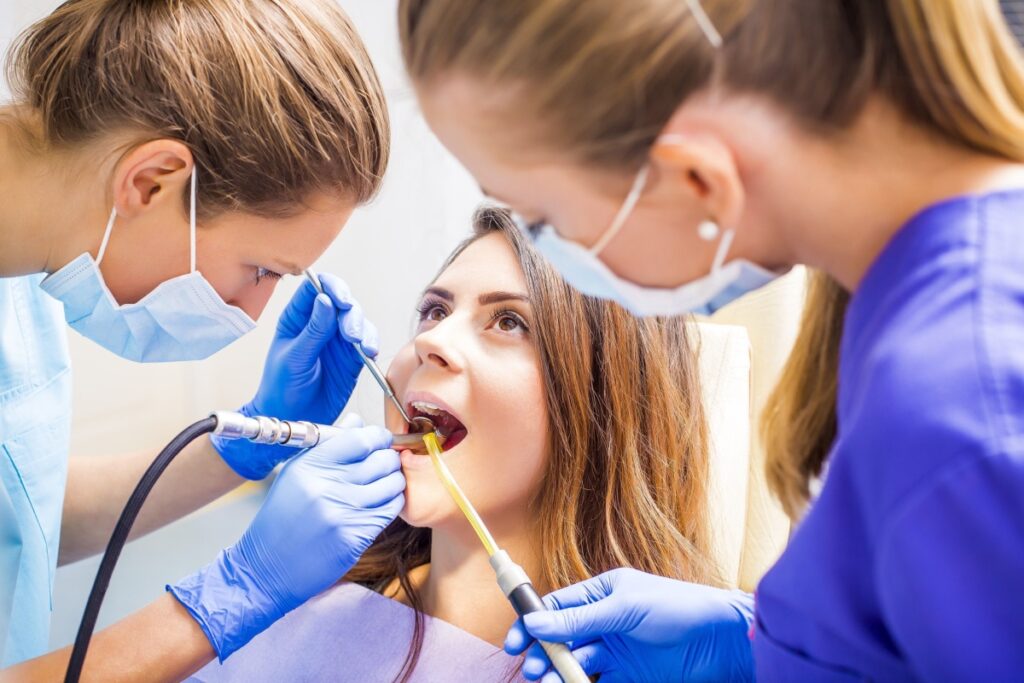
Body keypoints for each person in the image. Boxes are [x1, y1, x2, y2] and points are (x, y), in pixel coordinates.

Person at [396, 0, 1024, 680]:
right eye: (433, 309)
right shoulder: (912, 318)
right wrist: (757, 644)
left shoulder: (963, 403)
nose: (436, 342)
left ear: (698, 177)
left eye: (545, 218)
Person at [0, 1, 404, 679]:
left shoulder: (22, 277)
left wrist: (240, 449)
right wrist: (222, 600)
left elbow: (23, 515)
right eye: (261, 270)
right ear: (151, 180)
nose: (253, 311)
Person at [185, 206, 729, 682]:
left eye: (509, 321)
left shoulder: (642, 664)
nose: (430, 340)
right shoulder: (295, 592)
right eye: (435, 310)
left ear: (607, 406)